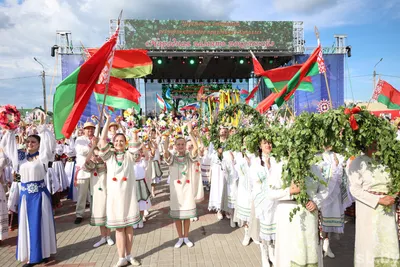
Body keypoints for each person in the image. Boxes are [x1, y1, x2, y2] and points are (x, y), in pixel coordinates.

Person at [98, 112, 141, 267]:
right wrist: (108, 121)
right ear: (113, 142)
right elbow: (102, 140)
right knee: (118, 229)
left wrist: (131, 127)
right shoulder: (109, 156)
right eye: (116, 141)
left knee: (129, 227)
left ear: (125, 142)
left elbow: (135, 143)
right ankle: (121, 257)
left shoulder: (130, 155)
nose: (118, 143)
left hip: (128, 197)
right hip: (115, 198)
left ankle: (129, 255)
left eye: (121, 141)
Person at [15, 115, 57, 266]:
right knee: (28, 225)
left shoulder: (43, 157)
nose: (30, 144)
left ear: (39, 144)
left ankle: (44, 253)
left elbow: (50, 143)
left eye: (34, 142)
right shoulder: (21, 157)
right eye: (28, 142)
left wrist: (43, 126)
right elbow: (7, 148)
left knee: (42, 224)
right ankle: (30, 255)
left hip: (40, 195)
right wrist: (9, 129)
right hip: (26, 196)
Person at [348, 143, 400, 267]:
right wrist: (378, 200)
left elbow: (396, 181)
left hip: (387, 209)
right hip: (368, 209)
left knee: (387, 243)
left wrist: (394, 194)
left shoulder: (387, 160)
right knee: (369, 245)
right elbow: (355, 190)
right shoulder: (357, 163)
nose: (376, 144)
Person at [163, 121, 198, 248]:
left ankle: (186, 237)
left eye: (183, 144)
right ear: (175, 146)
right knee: (177, 216)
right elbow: (165, 151)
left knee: (187, 215)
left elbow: (196, 149)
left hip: (187, 190)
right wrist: (167, 135)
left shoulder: (189, 157)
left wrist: (190, 133)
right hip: (176, 191)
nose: (181, 146)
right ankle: (180, 237)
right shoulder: (172, 158)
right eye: (178, 144)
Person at [84, 146, 114, 248]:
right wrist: (92, 148)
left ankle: (109, 236)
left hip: (109, 192)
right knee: (100, 213)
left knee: (108, 214)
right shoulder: (92, 165)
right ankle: (102, 237)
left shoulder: (108, 165)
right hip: (97, 194)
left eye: (99, 155)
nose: (97, 157)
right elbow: (86, 162)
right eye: (95, 155)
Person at [74, 122, 97, 224]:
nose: (90, 131)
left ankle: (94, 213)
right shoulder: (80, 139)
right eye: (88, 129)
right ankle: (79, 214)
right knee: (82, 195)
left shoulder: (96, 138)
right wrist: (92, 147)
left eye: (92, 129)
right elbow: (81, 151)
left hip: (94, 170)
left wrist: (96, 145)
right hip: (83, 171)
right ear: (84, 130)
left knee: (94, 194)